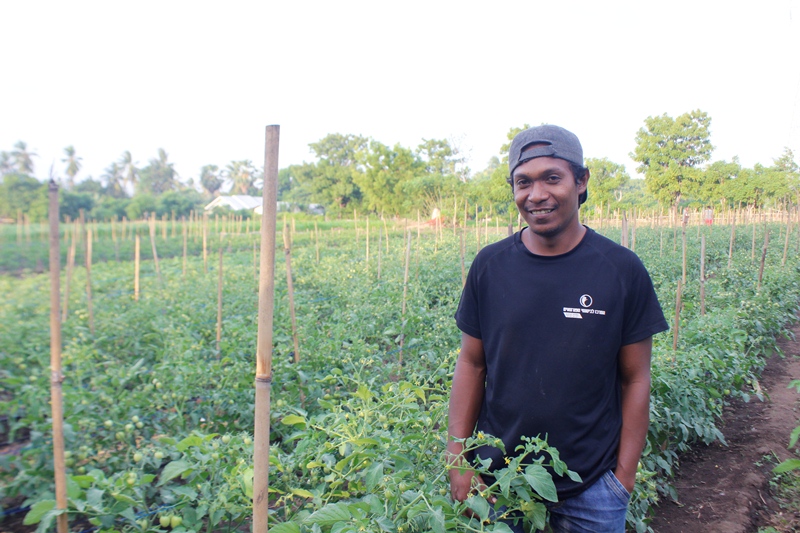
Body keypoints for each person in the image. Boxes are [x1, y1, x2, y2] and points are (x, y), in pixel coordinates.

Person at [447, 125, 669, 532]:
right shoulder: (490, 266)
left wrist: (624, 477)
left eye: (552, 178)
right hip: (498, 481)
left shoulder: (621, 270)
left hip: (593, 486)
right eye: (523, 182)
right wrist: (458, 458)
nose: (536, 194)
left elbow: (635, 378)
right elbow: (472, 364)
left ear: (581, 181)